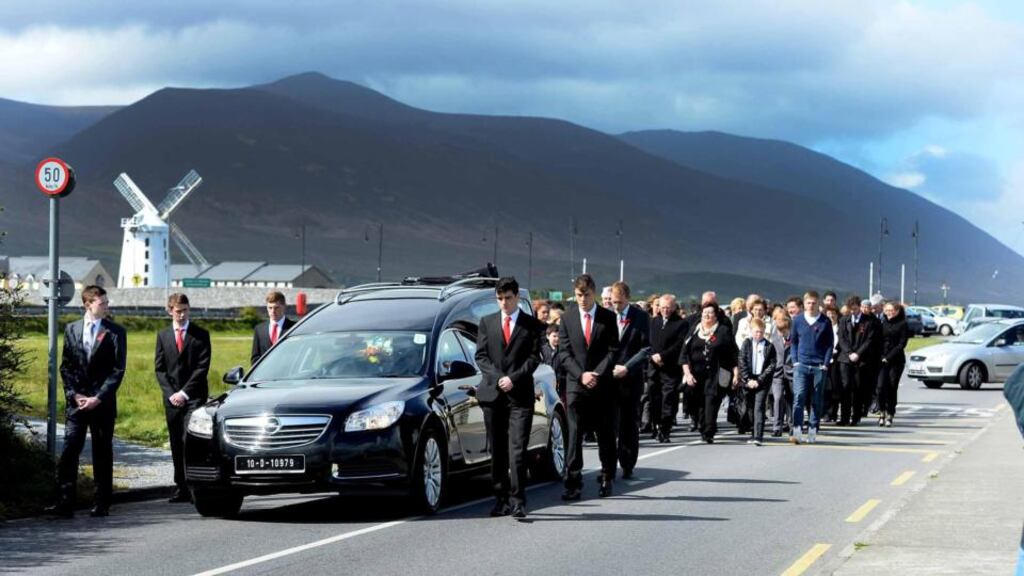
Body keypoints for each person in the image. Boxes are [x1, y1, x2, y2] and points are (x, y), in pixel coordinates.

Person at [46, 286, 127, 518]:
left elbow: (118, 369)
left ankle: (102, 502)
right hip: (77, 403)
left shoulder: (116, 332)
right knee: (70, 449)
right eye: (102, 303)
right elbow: (66, 367)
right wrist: (75, 395)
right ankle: (64, 502)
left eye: (106, 302)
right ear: (88, 304)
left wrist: (98, 398)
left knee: (102, 452)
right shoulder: (72, 329)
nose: (106, 306)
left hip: (102, 403)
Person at [474, 277, 545, 520]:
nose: (504, 303)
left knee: (517, 449)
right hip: (494, 395)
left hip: (520, 395)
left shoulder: (531, 325)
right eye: (500, 298)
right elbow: (481, 356)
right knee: (498, 450)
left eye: (508, 298)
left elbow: (535, 357)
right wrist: (498, 377)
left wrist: (513, 378)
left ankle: (518, 501)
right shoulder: (487, 322)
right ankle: (501, 499)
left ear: (517, 297)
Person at [558, 274, 619, 500]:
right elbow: (563, 353)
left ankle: (606, 476)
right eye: (578, 295)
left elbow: (613, 350)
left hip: (602, 385)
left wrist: (597, 374)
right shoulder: (567, 318)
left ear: (593, 294)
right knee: (574, 435)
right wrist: (580, 374)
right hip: (576, 385)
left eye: (586, 295)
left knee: (605, 433)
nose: (582, 299)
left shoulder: (607, 318)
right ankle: (573, 481)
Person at [155, 293, 211, 503]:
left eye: (185, 310)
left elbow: (202, 367)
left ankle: (194, 486)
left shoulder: (200, 334)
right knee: (176, 442)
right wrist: (171, 394)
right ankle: (181, 486)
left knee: (191, 441)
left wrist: (184, 393)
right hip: (171, 399)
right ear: (170, 310)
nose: (182, 315)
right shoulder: (163, 335)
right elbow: (160, 369)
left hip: (193, 397)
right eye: (178, 311)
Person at [607, 281, 651, 478]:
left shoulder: (641, 318)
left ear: (627, 298)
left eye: (619, 302)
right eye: (613, 302)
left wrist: (627, 367)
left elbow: (646, 348)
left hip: (630, 378)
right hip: (610, 378)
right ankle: (607, 465)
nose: (616, 306)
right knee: (608, 424)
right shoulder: (606, 316)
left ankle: (627, 463)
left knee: (628, 423)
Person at [681, 301, 739, 444]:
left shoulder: (723, 331)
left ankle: (709, 430)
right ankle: (702, 425)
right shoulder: (694, 330)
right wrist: (687, 373)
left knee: (711, 401)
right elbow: (684, 354)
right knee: (697, 402)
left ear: (716, 315)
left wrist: (736, 373)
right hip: (696, 374)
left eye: (710, 312)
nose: (707, 315)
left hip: (717, 373)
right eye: (705, 312)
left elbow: (733, 354)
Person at [789, 291, 833, 444]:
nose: (811, 305)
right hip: (801, 365)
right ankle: (797, 430)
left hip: (818, 366)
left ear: (818, 303)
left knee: (816, 400)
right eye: (808, 302)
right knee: (799, 397)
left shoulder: (825, 321)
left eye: (814, 303)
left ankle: (813, 429)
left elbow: (829, 344)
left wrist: (825, 364)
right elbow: (793, 341)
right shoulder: (798, 320)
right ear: (804, 303)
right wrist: (795, 360)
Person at [648, 294, 688, 442]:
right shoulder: (654, 322)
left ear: (673, 307)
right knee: (654, 397)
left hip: (670, 367)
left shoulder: (681, 323)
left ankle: (665, 429)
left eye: (668, 307)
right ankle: (656, 424)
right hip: (653, 366)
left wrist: (662, 356)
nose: (665, 310)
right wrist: (653, 356)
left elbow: (679, 345)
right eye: (662, 307)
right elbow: (648, 342)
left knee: (669, 399)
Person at [738, 318, 777, 446]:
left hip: (761, 381)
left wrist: (759, 380)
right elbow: (742, 361)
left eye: (761, 332)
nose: (758, 334)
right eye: (756, 332)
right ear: (751, 331)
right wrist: (747, 379)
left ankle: (758, 436)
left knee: (759, 407)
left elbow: (771, 366)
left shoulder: (769, 346)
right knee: (749, 407)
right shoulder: (746, 343)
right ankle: (752, 432)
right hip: (748, 379)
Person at [837, 296, 874, 426]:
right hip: (845, 359)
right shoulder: (843, 320)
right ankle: (844, 417)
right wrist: (849, 353)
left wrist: (858, 354)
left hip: (861, 359)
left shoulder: (868, 321)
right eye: (850, 309)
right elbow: (841, 338)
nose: (852, 312)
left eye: (855, 309)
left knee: (858, 388)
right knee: (845, 387)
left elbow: (869, 340)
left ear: (859, 306)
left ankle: (856, 416)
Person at [876, 301, 909, 427]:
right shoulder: (881, 323)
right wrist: (880, 356)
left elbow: (902, 344)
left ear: (897, 311)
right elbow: (877, 341)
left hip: (896, 361)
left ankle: (890, 413)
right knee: (880, 387)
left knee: (891, 386)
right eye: (887, 310)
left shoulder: (903, 324)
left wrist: (888, 357)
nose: (889, 312)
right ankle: (881, 411)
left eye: (891, 310)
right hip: (881, 360)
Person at [250, 290, 296, 366]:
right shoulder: (259, 329)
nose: (273, 311)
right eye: (270, 308)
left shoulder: (294, 328)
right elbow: (255, 358)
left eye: (276, 308)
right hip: (264, 375)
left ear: (284, 307)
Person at [859, 298, 884, 418]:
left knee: (870, 384)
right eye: (863, 307)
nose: (865, 309)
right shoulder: (857, 319)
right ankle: (860, 407)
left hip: (872, 356)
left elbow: (876, 338)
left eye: (867, 307)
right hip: (858, 356)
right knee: (859, 384)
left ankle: (867, 406)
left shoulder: (875, 321)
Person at [770, 314, 794, 437]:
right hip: (777, 373)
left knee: (791, 399)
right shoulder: (774, 338)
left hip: (792, 372)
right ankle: (777, 427)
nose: (781, 333)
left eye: (783, 330)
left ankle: (792, 425)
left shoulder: (795, 339)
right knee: (778, 398)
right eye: (779, 330)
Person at [824, 306, 842, 423]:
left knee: (835, 388)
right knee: (825, 388)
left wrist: (836, 351)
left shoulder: (840, 328)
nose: (831, 316)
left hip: (837, 360)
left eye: (833, 313)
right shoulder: (823, 327)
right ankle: (826, 413)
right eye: (829, 313)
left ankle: (833, 413)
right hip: (824, 360)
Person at [541, 323, 566, 400]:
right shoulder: (542, 350)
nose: (557, 338)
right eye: (554, 336)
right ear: (548, 336)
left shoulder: (564, 350)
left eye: (559, 336)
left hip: (561, 384)